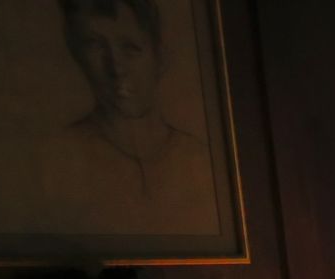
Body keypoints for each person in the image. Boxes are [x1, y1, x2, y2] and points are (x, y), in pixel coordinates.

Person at [40, 0, 216, 234]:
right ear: (78, 56)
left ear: (160, 57)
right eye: (96, 46)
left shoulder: (196, 157)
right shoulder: (60, 156)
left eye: (130, 48)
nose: (116, 67)